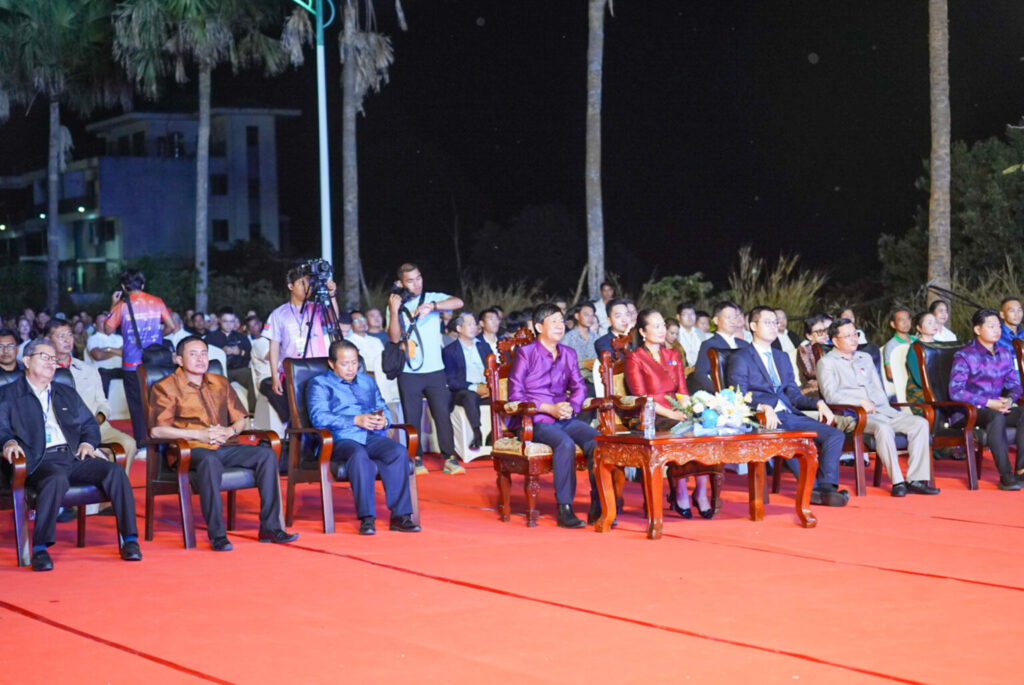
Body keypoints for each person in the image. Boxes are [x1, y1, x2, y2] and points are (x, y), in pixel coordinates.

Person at [0, 339, 141, 571]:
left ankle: (130, 540)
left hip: (73, 456)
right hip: (38, 459)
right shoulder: (8, 394)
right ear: (26, 360)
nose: (51, 363)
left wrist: (87, 442)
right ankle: (40, 549)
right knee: (56, 478)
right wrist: (9, 442)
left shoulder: (65, 392)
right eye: (44, 357)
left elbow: (89, 424)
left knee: (115, 471)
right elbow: (2, 426)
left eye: (53, 359)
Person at [149, 336, 299, 550]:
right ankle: (217, 535)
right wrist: (198, 435)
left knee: (266, 454)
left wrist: (230, 431)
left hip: (224, 446)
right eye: (193, 354)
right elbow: (157, 430)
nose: (200, 359)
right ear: (179, 359)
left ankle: (271, 527)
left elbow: (241, 418)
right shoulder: (166, 387)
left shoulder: (219, 382)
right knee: (209, 460)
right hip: (191, 450)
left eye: (204, 353)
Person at [727, 306, 848, 507]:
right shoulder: (741, 357)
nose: (774, 326)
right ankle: (812, 490)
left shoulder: (781, 357)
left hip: (789, 414)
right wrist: (762, 406)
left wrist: (818, 402)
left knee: (835, 435)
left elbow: (793, 394)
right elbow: (738, 394)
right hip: (763, 418)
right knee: (793, 438)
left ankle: (826, 488)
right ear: (753, 326)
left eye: (776, 322)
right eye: (768, 322)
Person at [306, 340, 420, 535]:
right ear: (332, 363)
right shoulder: (319, 384)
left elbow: (382, 407)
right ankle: (367, 518)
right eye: (345, 364)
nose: (351, 368)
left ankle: (400, 516)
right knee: (358, 455)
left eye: (354, 362)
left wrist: (384, 421)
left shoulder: (367, 381)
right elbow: (319, 418)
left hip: (370, 435)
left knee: (397, 451)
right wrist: (355, 420)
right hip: (339, 439)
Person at [817, 318, 939, 497]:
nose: (854, 339)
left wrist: (887, 409)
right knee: (883, 428)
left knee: (920, 423)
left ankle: (916, 480)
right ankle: (898, 482)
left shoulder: (865, 358)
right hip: (852, 415)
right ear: (835, 340)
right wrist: (859, 401)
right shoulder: (827, 362)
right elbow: (830, 395)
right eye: (848, 336)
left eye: (855, 334)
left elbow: (878, 389)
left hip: (881, 411)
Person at [508, 303, 599, 528]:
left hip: (564, 417)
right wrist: (549, 408)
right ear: (539, 327)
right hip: (534, 420)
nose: (560, 326)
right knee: (564, 443)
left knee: (598, 441)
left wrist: (572, 407)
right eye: (554, 321)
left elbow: (579, 386)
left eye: (561, 321)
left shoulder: (568, 353)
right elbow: (515, 394)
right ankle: (564, 508)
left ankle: (599, 502)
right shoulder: (525, 353)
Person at [625, 309, 712, 519]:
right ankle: (680, 490)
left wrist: (689, 410)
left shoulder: (672, 355)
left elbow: (682, 391)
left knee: (703, 427)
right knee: (681, 431)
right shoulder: (635, 358)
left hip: (676, 411)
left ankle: (701, 491)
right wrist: (673, 416)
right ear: (643, 332)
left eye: (663, 325)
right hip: (650, 414)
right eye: (656, 326)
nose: (662, 330)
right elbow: (642, 398)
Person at [387, 263, 465, 475]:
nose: (416, 284)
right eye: (410, 281)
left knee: (442, 414)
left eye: (419, 278)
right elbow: (393, 338)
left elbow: (458, 302)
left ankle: (449, 458)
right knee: (412, 417)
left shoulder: (432, 296)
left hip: (435, 370)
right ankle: (416, 458)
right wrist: (393, 311)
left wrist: (433, 306)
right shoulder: (396, 303)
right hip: (408, 371)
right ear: (401, 283)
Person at [948, 308, 1024, 490]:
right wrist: (989, 403)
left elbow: (1015, 384)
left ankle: (1021, 471)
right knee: (995, 416)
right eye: (991, 326)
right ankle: (1005, 476)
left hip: (997, 406)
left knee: (1022, 413)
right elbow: (956, 391)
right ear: (977, 329)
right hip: (968, 411)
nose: (997, 330)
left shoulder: (1004, 353)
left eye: (998, 326)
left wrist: (1009, 399)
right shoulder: (965, 355)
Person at [48, 319, 138, 471]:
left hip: (96, 426)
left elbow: (103, 403)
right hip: (64, 430)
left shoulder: (88, 369)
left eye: (69, 335)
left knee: (128, 444)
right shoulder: (45, 371)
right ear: (49, 340)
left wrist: (98, 419)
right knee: (97, 459)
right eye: (61, 336)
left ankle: (117, 484)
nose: (67, 340)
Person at [102, 269, 177, 451]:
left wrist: (113, 304)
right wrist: (156, 337)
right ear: (142, 285)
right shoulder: (157, 301)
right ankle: (165, 441)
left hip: (132, 363)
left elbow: (107, 329)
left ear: (123, 286)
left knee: (136, 404)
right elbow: (172, 326)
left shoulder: (122, 306)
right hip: (155, 361)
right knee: (160, 400)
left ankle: (142, 445)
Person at [262, 265, 340, 424]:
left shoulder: (316, 308)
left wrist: (332, 295)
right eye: (301, 283)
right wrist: (275, 377)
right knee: (298, 414)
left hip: (319, 367)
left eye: (308, 283)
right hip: (292, 370)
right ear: (290, 286)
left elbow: (333, 320)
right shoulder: (278, 313)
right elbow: (274, 347)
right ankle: (295, 438)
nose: (306, 287)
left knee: (319, 409)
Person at [441, 312, 492, 451]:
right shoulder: (450, 351)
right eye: (469, 324)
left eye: (474, 324)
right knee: (470, 396)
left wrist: (490, 388)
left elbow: (493, 370)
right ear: (459, 328)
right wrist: (475, 387)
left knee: (506, 394)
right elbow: (451, 381)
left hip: (486, 388)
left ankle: (495, 434)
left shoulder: (484, 347)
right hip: (463, 390)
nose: (473, 327)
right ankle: (477, 433)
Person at [691, 301, 751, 394]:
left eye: (735, 317)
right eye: (728, 317)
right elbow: (700, 374)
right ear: (716, 320)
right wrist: (721, 393)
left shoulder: (744, 345)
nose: (733, 321)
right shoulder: (709, 344)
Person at [561, 302, 599, 397]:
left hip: (595, 380)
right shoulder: (568, 338)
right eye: (586, 315)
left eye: (592, 315)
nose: (590, 318)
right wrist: (584, 364)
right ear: (577, 316)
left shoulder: (597, 338)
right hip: (575, 381)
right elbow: (562, 363)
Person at [796, 314, 831, 398]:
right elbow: (810, 373)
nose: (824, 334)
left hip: (832, 383)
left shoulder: (831, 346)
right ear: (809, 336)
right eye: (819, 332)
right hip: (813, 387)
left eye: (825, 330)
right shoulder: (804, 349)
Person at [594, 298, 633, 363]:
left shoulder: (636, 337)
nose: (624, 320)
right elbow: (615, 363)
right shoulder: (602, 342)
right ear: (609, 321)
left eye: (627, 315)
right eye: (618, 316)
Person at [883, 307, 915, 381]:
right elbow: (890, 374)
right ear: (893, 324)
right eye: (901, 320)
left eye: (908, 319)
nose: (905, 323)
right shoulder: (891, 346)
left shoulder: (917, 339)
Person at [675, 302, 708, 370]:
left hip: (701, 370)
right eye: (685, 314)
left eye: (692, 314)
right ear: (678, 317)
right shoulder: (675, 334)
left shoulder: (700, 334)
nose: (690, 317)